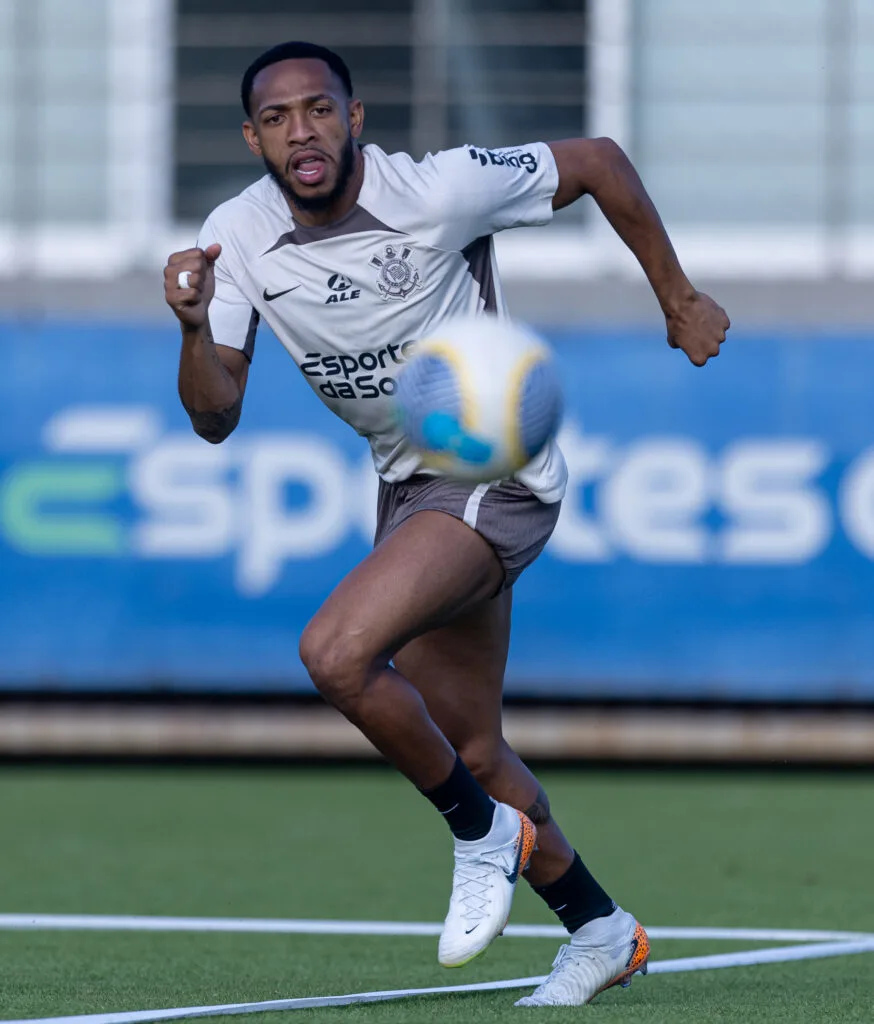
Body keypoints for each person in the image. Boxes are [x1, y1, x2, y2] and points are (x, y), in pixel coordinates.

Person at [164, 41, 729, 1007]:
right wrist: (189, 324)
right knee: (469, 749)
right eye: (278, 117)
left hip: (490, 471)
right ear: (253, 136)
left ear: (357, 117)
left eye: (320, 109)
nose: (302, 130)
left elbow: (595, 158)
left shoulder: (438, 189)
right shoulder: (237, 235)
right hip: (410, 488)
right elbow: (215, 418)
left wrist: (676, 299)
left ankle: (481, 834)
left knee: (337, 654)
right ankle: (600, 928)